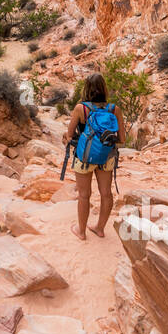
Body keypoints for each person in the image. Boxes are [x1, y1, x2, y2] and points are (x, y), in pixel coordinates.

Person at [64, 73, 122, 239]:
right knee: (106, 193)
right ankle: (100, 228)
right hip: (106, 157)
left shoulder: (81, 108)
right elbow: (122, 139)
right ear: (104, 88)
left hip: (84, 158)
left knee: (84, 194)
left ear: (86, 89)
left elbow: (69, 135)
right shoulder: (114, 109)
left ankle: (81, 231)